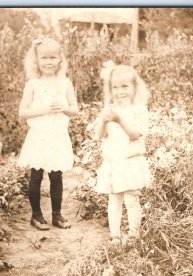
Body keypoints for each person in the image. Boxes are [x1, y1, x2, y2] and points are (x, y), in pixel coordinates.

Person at [18, 37, 79, 230]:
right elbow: (23, 112)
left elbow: (75, 108)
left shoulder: (65, 83)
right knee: (36, 175)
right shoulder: (33, 84)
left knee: (56, 175)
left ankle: (57, 215)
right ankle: (36, 215)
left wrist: (64, 107)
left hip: (57, 135)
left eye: (53, 57)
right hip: (39, 135)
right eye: (44, 57)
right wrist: (44, 109)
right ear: (36, 60)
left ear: (60, 59)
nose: (48, 61)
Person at [94, 62, 151, 249]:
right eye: (115, 87)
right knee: (114, 199)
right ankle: (115, 236)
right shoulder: (110, 110)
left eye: (125, 86)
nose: (120, 91)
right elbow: (99, 135)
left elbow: (135, 134)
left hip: (129, 160)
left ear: (134, 87)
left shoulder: (139, 109)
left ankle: (134, 233)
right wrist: (104, 121)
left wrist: (119, 120)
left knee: (131, 198)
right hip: (114, 162)